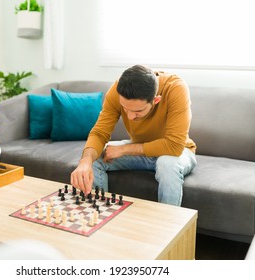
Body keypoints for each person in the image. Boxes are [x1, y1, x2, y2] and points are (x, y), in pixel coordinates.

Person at [70, 65, 197, 206]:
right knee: (95, 158)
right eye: (125, 109)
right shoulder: (118, 90)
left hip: (177, 152)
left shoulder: (176, 88)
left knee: (166, 164)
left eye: (138, 111)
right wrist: (85, 161)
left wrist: (124, 149)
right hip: (141, 152)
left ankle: (169, 225)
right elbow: (100, 133)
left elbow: (174, 146)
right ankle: (99, 214)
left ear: (156, 100)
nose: (130, 116)